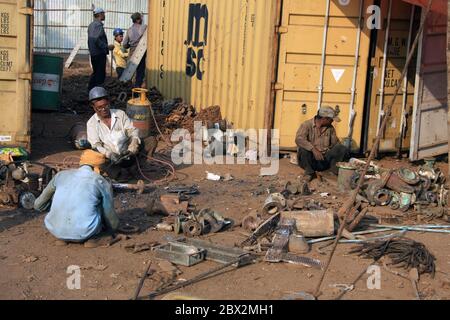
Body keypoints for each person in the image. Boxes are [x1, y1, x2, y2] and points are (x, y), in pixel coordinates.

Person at [33, 150, 119, 246]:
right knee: (98, 204)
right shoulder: (99, 181)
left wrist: (56, 209)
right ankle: (94, 239)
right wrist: (113, 229)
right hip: (86, 232)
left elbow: (38, 205)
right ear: (98, 168)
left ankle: (64, 235)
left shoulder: (60, 175)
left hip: (55, 230)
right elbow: (109, 213)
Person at [86, 87, 157, 180]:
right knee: (100, 162)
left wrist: (133, 144)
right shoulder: (91, 124)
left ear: (109, 103)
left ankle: (137, 167)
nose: (104, 109)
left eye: (106, 105)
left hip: (128, 153)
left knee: (151, 141)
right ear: (93, 107)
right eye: (99, 107)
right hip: (111, 159)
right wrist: (109, 154)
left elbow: (133, 130)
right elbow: (96, 146)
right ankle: (123, 172)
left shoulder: (120, 114)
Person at [296, 106, 349, 182]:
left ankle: (331, 171)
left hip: (323, 160)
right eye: (331, 120)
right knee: (303, 149)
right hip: (310, 160)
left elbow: (336, 144)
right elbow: (299, 139)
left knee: (341, 148)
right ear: (324, 118)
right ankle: (309, 173)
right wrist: (313, 149)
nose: (332, 121)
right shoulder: (306, 125)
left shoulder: (330, 128)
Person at [123, 12, 147, 88]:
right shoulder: (144, 28)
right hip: (141, 54)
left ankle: (126, 88)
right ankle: (137, 88)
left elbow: (124, 44)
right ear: (138, 20)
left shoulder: (129, 30)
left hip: (132, 53)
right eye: (141, 18)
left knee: (129, 73)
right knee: (140, 73)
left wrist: (130, 45)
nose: (142, 19)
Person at [87, 7, 109, 91]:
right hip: (99, 53)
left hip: (94, 53)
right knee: (100, 75)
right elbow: (95, 39)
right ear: (99, 14)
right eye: (103, 13)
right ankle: (98, 92)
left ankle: (91, 90)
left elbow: (91, 40)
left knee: (96, 73)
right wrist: (106, 46)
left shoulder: (91, 25)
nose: (104, 15)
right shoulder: (98, 25)